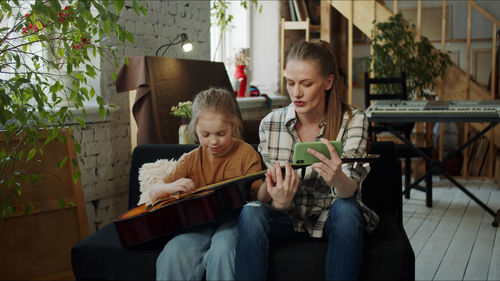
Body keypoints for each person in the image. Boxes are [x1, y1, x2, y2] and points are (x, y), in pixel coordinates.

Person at [234, 40, 379, 281]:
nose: (296, 93)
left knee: (347, 210)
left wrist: (338, 179)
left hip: (332, 214)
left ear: (328, 82)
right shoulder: (270, 123)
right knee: (251, 212)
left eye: (306, 84)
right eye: (291, 83)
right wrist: (276, 200)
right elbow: (263, 190)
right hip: (286, 216)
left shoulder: (353, 119)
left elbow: (351, 188)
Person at [152, 87, 263, 281]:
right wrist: (169, 187)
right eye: (205, 134)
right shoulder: (190, 159)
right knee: (173, 251)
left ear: (234, 126)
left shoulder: (246, 154)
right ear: (194, 128)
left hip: (234, 223)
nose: (213, 141)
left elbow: (258, 196)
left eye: (221, 133)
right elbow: (154, 192)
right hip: (197, 224)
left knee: (223, 249)